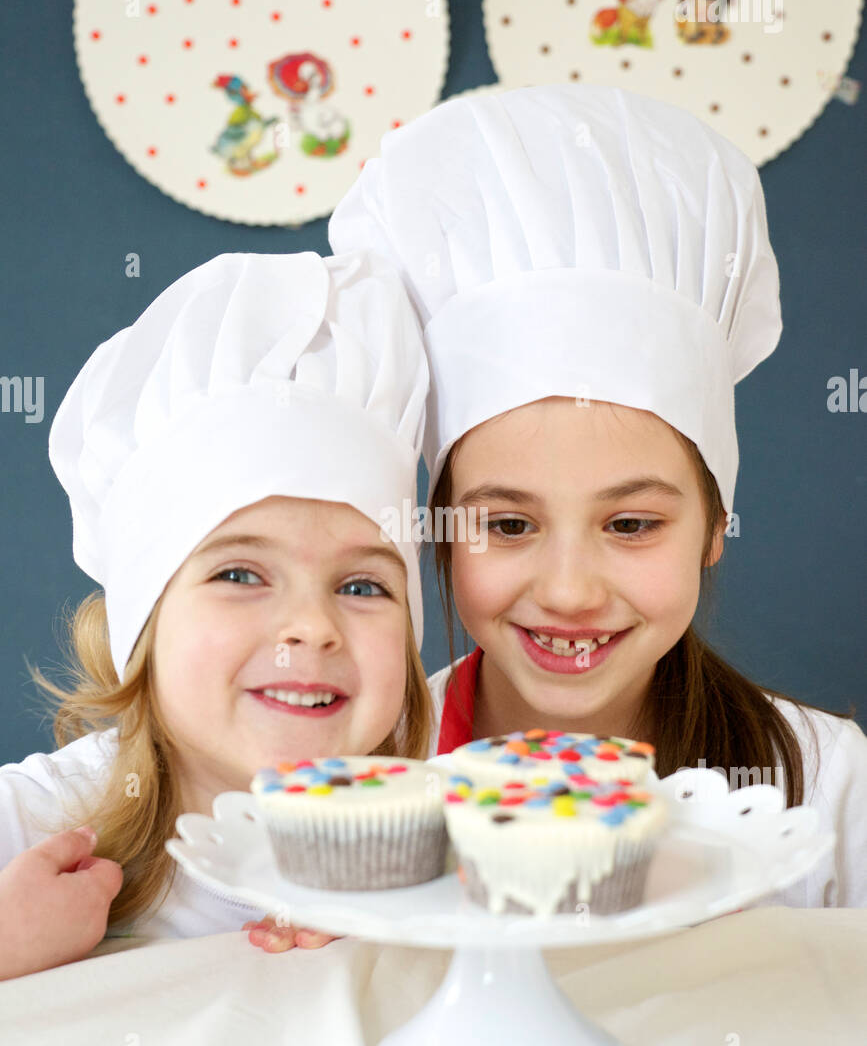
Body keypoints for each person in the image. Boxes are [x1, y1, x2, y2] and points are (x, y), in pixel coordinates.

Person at [329, 83, 867, 909]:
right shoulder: (358, 789)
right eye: (507, 523)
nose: (570, 591)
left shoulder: (828, 789)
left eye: (629, 523)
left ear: (714, 523)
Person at [0, 250, 431, 980]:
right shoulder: (31, 827)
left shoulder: (457, 841)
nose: (312, 627)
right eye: (240, 574)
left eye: (362, 586)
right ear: (144, 624)